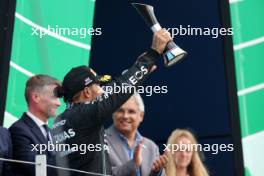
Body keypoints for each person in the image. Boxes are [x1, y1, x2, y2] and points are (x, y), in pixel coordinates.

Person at [51, 29, 172, 176]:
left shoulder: (63, 119)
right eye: (98, 86)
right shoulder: (83, 115)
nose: (102, 90)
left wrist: (140, 69)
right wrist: (152, 54)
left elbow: (116, 88)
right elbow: (120, 90)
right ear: (87, 92)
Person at [9, 74, 61, 176]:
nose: (59, 103)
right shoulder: (18, 130)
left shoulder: (51, 133)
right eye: (54, 97)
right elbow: (37, 171)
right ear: (36, 97)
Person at [106, 93, 168, 176]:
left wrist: (156, 172)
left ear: (141, 116)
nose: (125, 116)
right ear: (113, 113)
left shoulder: (151, 147)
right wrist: (133, 164)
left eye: (131, 111)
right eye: (120, 110)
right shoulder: (99, 141)